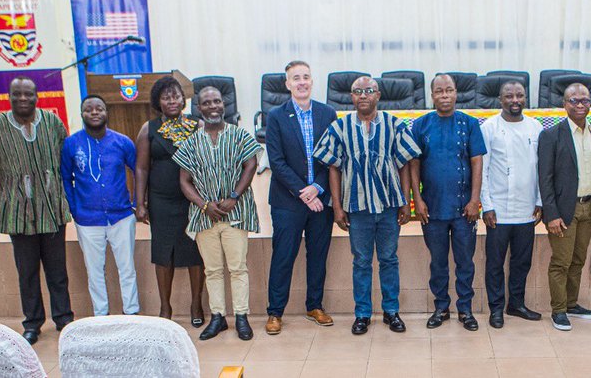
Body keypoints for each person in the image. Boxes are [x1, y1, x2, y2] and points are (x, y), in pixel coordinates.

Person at [315, 76, 421, 336]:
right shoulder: (339, 128)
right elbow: (333, 168)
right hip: (357, 207)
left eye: (369, 91)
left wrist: (406, 202)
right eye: (357, 92)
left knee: (389, 260)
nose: (363, 95)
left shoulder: (394, 125)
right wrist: (337, 207)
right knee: (361, 262)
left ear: (378, 95)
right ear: (351, 97)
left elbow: (405, 163)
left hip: (388, 206)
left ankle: (391, 311)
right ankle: (362, 314)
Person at [0, 76, 72, 345]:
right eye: (16, 94)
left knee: (57, 270)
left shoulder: (53, 123)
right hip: (18, 212)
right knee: (27, 271)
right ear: (8, 96)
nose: (22, 99)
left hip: (52, 208)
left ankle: (64, 318)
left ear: (36, 96)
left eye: (28, 94)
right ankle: (32, 323)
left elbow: (64, 159)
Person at [173, 86, 262, 341]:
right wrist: (204, 205)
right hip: (204, 216)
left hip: (236, 212)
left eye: (217, 102)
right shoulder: (191, 142)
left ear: (224, 105)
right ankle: (218, 317)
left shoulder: (239, 135)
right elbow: (184, 181)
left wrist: (234, 196)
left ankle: (242, 317)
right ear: (199, 108)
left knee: (237, 268)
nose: (213, 107)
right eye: (207, 103)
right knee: (212, 270)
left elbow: (251, 164)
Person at [263, 60, 338, 335]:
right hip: (287, 201)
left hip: (320, 198)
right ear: (287, 84)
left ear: (312, 80)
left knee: (317, 255)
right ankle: (275, 312)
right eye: (296, 78)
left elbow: (332, 157)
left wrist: (318, 187)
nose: (302, 82)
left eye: (306, 76)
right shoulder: (276, 116)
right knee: (284, 255)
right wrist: (304, 192)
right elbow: (277, 161)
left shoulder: (327, 113)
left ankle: (314, 306)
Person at [411, 74, 487, 332]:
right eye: (439, 91)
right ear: (431, 95)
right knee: (438, 262)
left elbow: (477, 162)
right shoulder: (420, 125)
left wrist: (475, 200)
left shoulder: (469, 124)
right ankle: (441, 307)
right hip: (432, 208)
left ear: (457, 93)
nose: (444, 95)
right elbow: (413, 164)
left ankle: (465, 310)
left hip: (464, 208)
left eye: (449, 90)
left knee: (465, 262)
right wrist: (417, 200)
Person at [136, 76, 206, 327]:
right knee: (163, 253)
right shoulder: (149, 128)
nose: (172, 100)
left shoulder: (196, 125)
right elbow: (142, 168)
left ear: (183, 99)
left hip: (192, 200)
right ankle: (165, 309)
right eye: (166, 97)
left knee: (194, 252)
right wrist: (140, 202)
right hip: (161, 200)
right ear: (158, 101)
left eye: (176, 96)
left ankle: (196, 304)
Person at [60, 95, 140, 316]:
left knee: (127, 269)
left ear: (107, 112)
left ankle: (131, 314)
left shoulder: (122, 142)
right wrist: (75, 209)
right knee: (95, 271)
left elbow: (138, 171)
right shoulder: (71, 144)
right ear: (82, 113)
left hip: (121, 216)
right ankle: (101, 316)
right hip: (87, 219)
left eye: (99, 109)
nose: (94, 112)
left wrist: (135, 203)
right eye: (88, 109)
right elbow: (66, 178)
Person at [538, 82, 591, 331]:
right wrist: (551, 215)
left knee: (578, 260)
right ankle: (558, 310)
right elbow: (544, 179)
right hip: (564, 211)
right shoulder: (551, 135)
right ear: (564, 104)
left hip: (589, 208)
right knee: (561, 262)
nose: (580, 105)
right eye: (574, 101)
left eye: (585, 100)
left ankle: (571, 303)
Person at [479, 80, 544, 329]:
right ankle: (496, 308)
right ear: (500, 99)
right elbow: (482, 169)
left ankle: (516, 304)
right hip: (498, 210)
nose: (515, 100)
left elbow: (540, 169)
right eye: (509, 96)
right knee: (495, 263)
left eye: (519, 95)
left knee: (521, 261)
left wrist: (539, 201)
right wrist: (487, 205)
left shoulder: (536, 127)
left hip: (526, 209)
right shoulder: (489, 128)